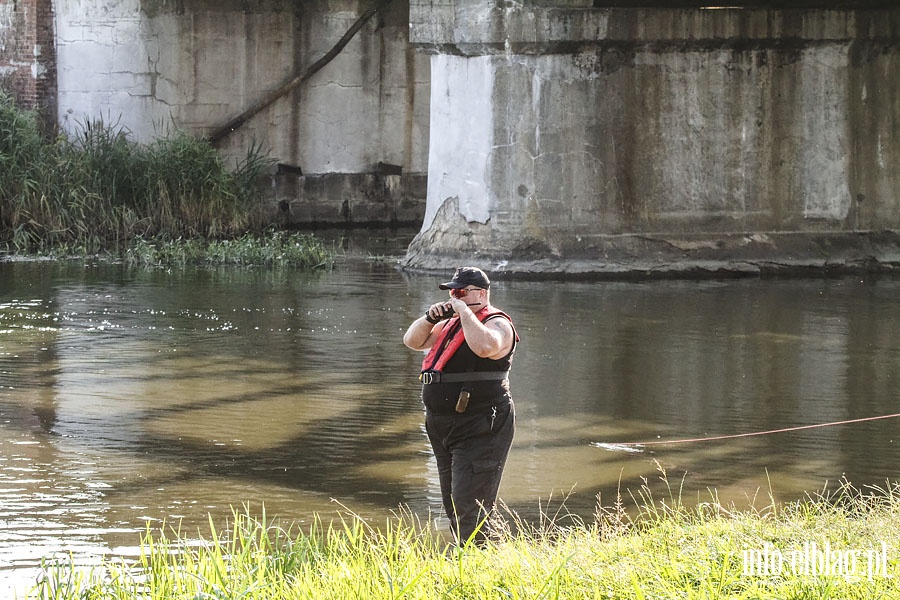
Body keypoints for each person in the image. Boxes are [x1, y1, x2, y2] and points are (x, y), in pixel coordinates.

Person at [403, 266, 519, 545]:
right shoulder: (450, 325)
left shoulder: (498, 324)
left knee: (471, 505)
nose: (455, 297)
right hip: (443, 425)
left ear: (481, 293)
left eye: (461, 292)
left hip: (480, 423)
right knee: (453, 502)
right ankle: (471, 559)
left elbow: (485, 348)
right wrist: (431, 318)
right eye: (452, 292)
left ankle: (482, 564)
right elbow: (412, 341)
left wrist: (465, 312)